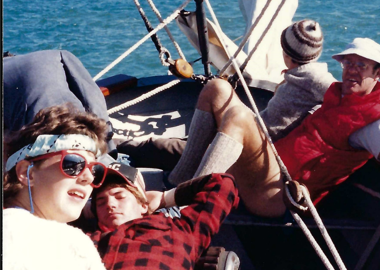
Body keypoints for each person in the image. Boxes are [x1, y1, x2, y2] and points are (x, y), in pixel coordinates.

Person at [169, 37, 380, 218]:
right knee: (217, 88)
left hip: (277, 194)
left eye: (361, 66)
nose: (352, 70)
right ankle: (180, 181)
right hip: (269, 166)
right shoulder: (336, 94)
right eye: (348, 63)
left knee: (239, 119)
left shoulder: (374, 123)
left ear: (378, 73)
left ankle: (189, 210)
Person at [123, 19, 335, 181]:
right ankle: (177, 172)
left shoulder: (316, 77)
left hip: (260, 149)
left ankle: (179, 182)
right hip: (257, 135)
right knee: (216, 87)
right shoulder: (304, 73)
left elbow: (340, 93)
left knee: (165, 148)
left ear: (286, 52)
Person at [3, 105, 118, 270]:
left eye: (95, 170)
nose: (88, 177)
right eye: (73, 164)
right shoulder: (69, 242)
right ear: (27, 173)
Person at [87, 162, 239, 270]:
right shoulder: (83, 240)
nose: (110, 204)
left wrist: (164, 198)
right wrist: (83, 208)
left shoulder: (181, 229)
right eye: (100, 202)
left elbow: (223, 184)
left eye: (120, 197)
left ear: (143, 205)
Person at [3, 49, 117, 155]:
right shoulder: (53, 54)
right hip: (75, 115)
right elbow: (90, 94)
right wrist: (106, 140)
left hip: (40, 128)